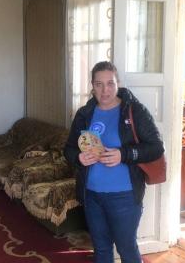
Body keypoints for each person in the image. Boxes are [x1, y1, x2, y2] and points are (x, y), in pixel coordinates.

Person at [64, 61, 164, 263]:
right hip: (92, 195)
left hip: (124, 197)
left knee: (127, 249)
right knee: (101, 249)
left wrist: (123, 154)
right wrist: (78, 158)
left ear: (118, 83)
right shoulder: (85, 114)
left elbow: (155, 147)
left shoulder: (133, 111)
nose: (105, 90)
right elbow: (68, 148)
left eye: (110, 83)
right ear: (92, 85)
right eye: (99, 84)